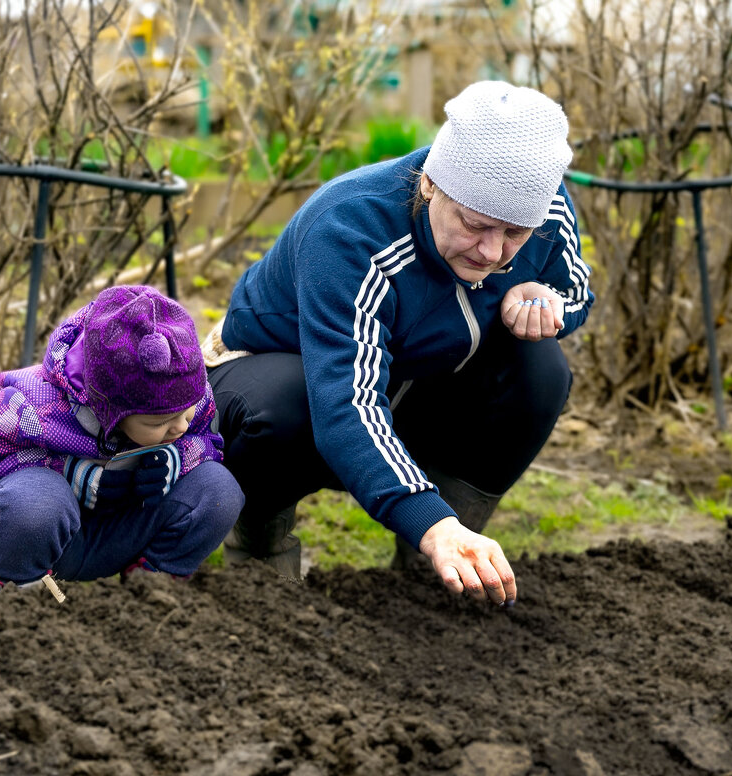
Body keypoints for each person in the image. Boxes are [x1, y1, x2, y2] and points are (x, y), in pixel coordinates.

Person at [203, 81, 592, 605]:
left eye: (514, 235)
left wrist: (543, 303)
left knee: (539, 371)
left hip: (419, 377)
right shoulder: (350, 229)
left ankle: (439, 568)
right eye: (475, 225)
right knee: (282, 403)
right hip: (285, 380)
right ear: (431, 183)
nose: (493, 252)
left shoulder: (542, 210)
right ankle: (261, 556)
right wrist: (430, 523)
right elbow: (348, 401)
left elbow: (575, 292)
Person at [0, 285, 244, 600]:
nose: (179, 426)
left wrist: (179, 459)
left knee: (219, 492)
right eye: (157, 423)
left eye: (186, 412)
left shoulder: (186, 392)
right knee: (33, 506)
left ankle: (147, 590)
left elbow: (208, 441)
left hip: (127, 532)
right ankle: (13, 595)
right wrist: (70, 473)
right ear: (109, 411)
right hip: (51, 539)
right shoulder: (35, 405)